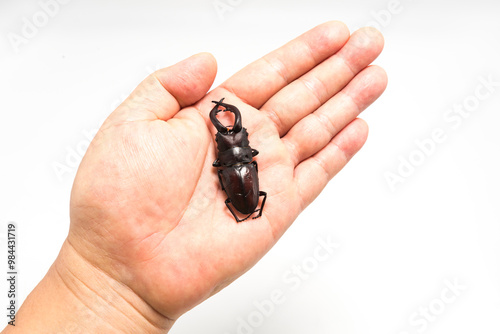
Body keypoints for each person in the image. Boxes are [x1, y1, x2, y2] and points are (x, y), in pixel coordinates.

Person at [2, 21, 387, 333]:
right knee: (247, 183)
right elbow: (240, 159)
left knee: (240, 180)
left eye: (235, 137)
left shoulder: (230, 162)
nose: (232, 137)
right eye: (230, 137)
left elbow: (232, 159)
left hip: (241, 189)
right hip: (244, 188)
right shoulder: (246, 162)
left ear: (243, 151)